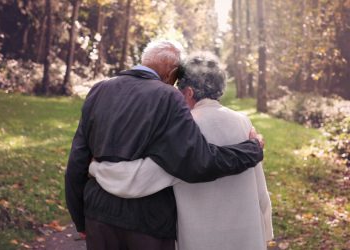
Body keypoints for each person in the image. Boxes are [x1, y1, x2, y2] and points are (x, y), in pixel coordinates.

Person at [65, 41, 264, 250]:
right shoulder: (169, 96)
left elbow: (77, 160)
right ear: (171, 73)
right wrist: (252, 148)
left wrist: (80, 219)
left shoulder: (99, 89)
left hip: (98, 215)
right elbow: (198, 161)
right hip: (148, 222)